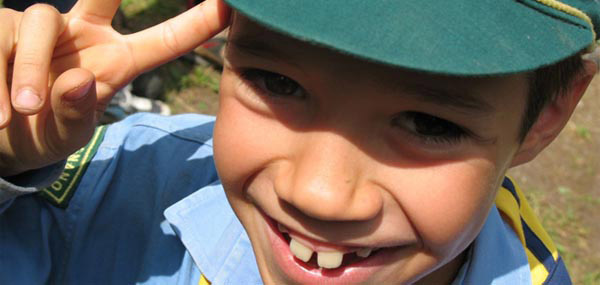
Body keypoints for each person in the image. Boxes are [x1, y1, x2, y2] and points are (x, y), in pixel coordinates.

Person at [0, 0, 597, 283]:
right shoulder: (116, 181)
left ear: (547, 114)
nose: (319, 195)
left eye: (430, 124)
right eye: (276, 82)